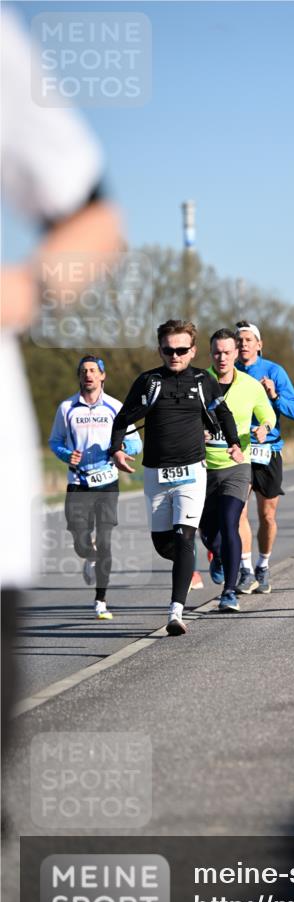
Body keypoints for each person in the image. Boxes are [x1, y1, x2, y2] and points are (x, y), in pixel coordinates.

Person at [1, 4, 123, 751]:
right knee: (88, 533)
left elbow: (95, 220)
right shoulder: (76, 408)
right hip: (76, 480)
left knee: (107, 535)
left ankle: (110, 588)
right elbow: (57, 439)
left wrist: (26, 289)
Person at [110, 319, 242, 636]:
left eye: (182, 350)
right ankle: (192, 557)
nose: (175, 356)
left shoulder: (202, 381)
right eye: (169, 350)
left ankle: (176, 612)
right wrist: (116, 449)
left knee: (184, 537)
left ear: (193, 350)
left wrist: (234, 442)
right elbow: (123, 417)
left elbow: (222, 413)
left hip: (192, 471)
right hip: (156, 472)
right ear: (161, 350)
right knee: (162, 543)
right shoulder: (149, 382)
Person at [48, 356, 142, 620]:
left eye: (93, 371)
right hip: (78, 482)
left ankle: (101, 600)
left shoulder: (115, 408)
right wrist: (67, 455)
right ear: (79, 376)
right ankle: (88, 555)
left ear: (103, 376)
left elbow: (136, 443)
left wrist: (119, 449)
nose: (88, 375)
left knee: (105, 540)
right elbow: (54, 441)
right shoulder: (67, 408)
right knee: (80, 541)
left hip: (107, 482)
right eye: (84, 371)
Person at [199, 328, 276, 612]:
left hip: (236, 465)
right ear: (211, 354)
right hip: (203, 466)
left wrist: (264, 428)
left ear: (235, 354)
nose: (222, 358)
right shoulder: (197, 382)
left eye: (227, 352)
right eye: (217, 352)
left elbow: (266, 413)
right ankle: (217, 554)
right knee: (207, 529)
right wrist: (198, 433)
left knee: (231, 522)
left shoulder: (249, 384)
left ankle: (229, 592)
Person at [234, 320, 294, 594]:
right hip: (238, 450)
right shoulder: (229, 372)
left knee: (267, 515)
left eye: (248, 340)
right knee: (237, 511)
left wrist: (274, 394)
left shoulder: (274, 371)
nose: (243, 345)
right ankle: (245, 569)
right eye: (239, 341)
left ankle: (263, 565)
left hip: (269, 451)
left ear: (259, 344)